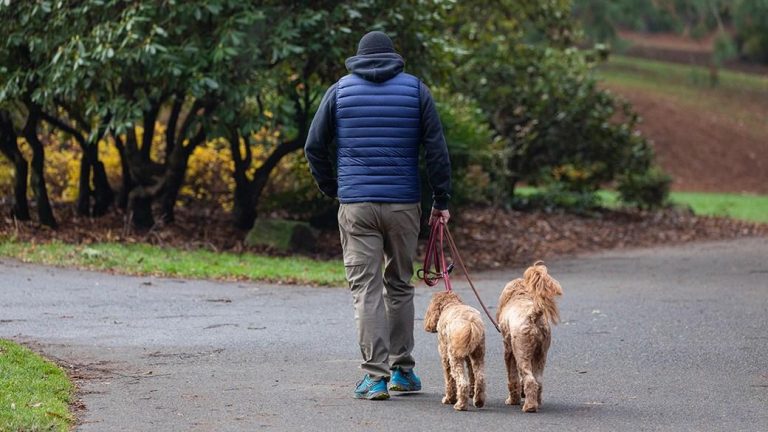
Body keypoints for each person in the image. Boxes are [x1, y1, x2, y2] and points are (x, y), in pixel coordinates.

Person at [304, 30, 451, 400]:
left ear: (357, 57)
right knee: (400, 283)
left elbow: (313, 145)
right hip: (403, 204)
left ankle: (374, 377)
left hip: (357, 206)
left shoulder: (339, 91)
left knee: (366, 288)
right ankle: (402, 371)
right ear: (394, 56)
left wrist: (333, 188)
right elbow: (436, 150)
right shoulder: (416, 90)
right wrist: (441, 201)